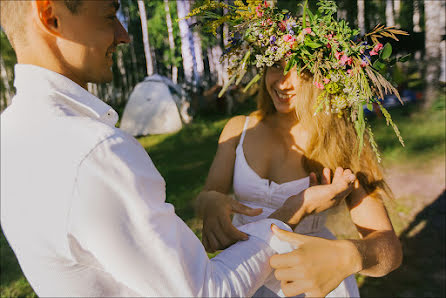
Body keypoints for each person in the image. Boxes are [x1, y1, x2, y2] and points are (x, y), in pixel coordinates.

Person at [0, 0, 356, 296]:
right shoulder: (95, 152)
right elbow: (206, 291)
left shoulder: (10, 136)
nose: (124, 36)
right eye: (110, 16)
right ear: (50, 15)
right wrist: (294, 208)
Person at [192, 1, 404, 297]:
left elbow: (389, 249)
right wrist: (211, 201)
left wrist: (349, 256)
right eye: (276, 65)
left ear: (325, 79)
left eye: (301, 71)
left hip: (314, 283)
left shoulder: (342, 140)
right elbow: (205, 195)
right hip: (245, 275)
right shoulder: (238, 129)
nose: (282, 81)